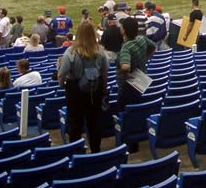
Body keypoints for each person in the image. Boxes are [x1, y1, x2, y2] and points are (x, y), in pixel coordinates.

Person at [58, 21, 109, 153]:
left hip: (75, 91)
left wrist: (62, 85)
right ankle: (95, 151)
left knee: (75, 124)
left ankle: (76, 153)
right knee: (94, 123)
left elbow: (61, 74)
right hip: (95, 90)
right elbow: (104, 73)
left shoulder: (71, 52)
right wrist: (103, 89)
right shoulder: (100, 51)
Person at [117, 17, 155, 153]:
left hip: (128, 85)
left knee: (127, 113)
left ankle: (129, 144)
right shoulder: (141, 39)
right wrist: (144, 59)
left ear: (125, 30)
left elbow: (126, 66)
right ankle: (135, 140)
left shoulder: (126, 47)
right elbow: (153, 47)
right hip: (140, 81)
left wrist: (122, 71)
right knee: (137, 109)